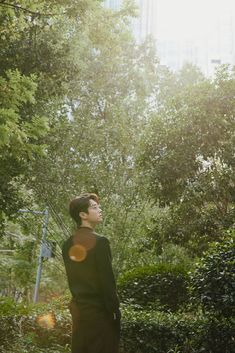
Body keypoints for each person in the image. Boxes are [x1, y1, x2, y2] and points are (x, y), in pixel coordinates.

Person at [62, 192, 120, 353]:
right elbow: (108, 283)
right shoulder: (100, 242)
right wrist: (115, 312)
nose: (100, 209)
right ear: (83, 215)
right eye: (94, 207)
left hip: (79, 312)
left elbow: (73, 280)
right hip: (100, 314)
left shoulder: (67, 244)